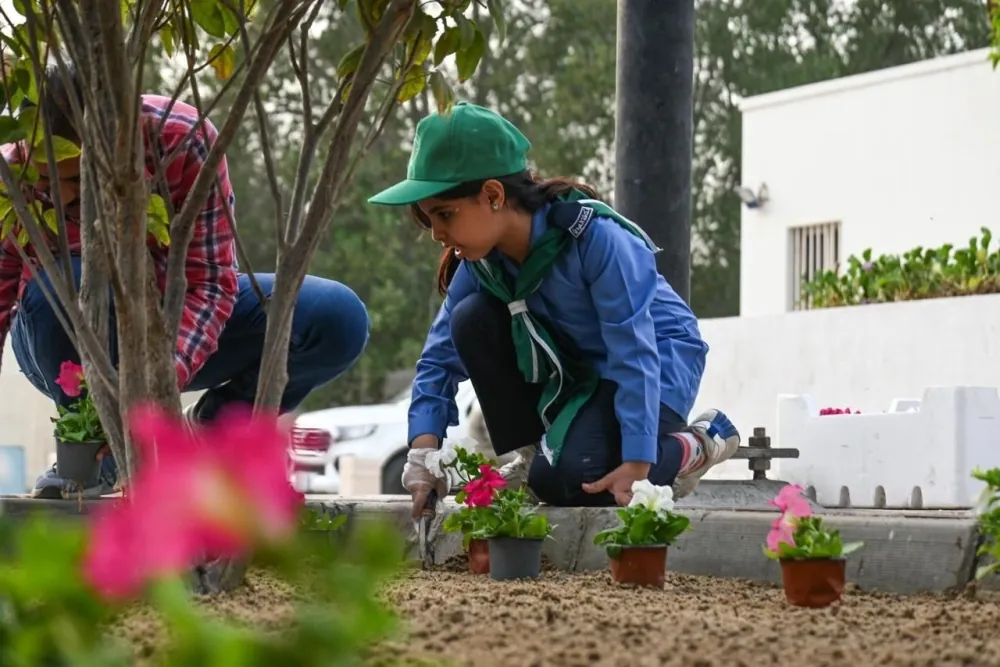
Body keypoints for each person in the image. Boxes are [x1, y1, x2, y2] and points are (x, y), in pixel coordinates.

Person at [1, 63, 370, 499]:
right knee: (65, 282)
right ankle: (92, 456)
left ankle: (209, 436)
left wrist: (155, 392)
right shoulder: (10, 172)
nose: (59, 196)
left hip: (174, 330)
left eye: (73, 180)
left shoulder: (183, 141)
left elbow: (210, 284)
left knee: (334, 318)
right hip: (62, 338)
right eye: (44, 178)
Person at [367, 101, 741, 518]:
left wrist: (638, 465)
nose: (437, 234)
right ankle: (534, 458)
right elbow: (438, 360)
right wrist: (423, 454)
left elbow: (633, 351)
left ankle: (699, 443)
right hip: (578, 378)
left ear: (492, 194)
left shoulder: (595, 239)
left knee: (577, 477)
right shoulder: (480, 264)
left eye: (444, 214)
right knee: (470, 318)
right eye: (427, 220)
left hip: (656, 361)